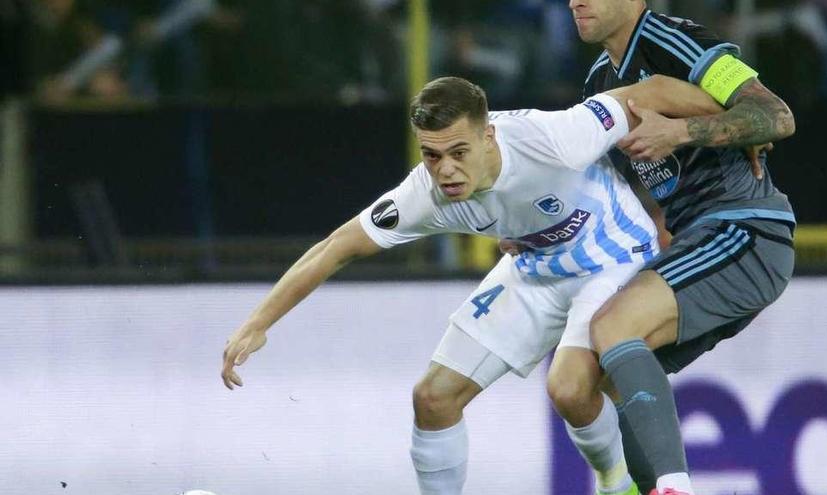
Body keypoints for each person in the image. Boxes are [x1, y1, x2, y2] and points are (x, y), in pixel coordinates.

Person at [221, 75, 721, 495]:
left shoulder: (553, 138)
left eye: (458, 151)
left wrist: (734, 120)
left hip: (613, 258)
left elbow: (649, 91)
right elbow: (338, 244)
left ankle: (618, 485)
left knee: (569, 388)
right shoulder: (426, 192)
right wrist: (258, 323)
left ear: (489, 136)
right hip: (536, 266)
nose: (446, 170)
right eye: (432, 155)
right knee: (433, 399)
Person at [565, 1, 797, 494]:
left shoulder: (678, 41)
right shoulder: (598, 85)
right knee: (602, 369)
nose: (575, 0)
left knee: (613, 326)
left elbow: (775, 114)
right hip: (700, 235)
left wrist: (683, 130)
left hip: (745, 229)